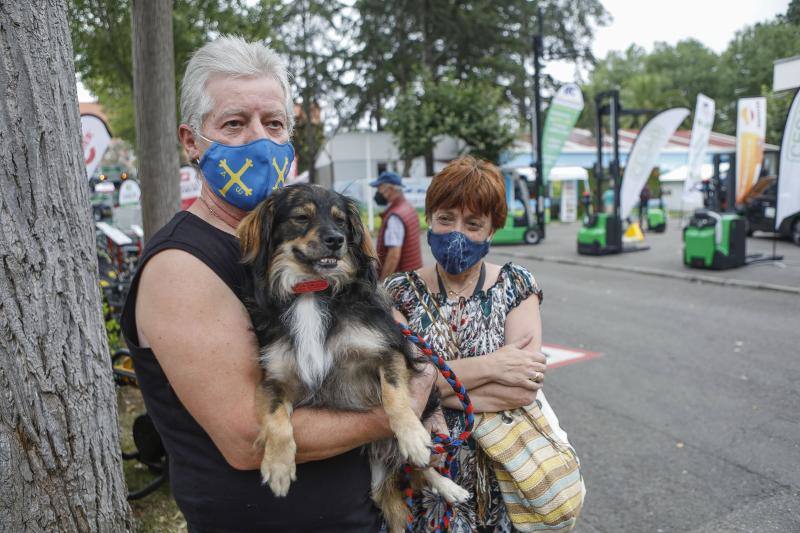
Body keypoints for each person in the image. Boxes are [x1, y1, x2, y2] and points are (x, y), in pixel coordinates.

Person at [120, 36, 434, 532]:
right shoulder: (181, 268)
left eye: (273, 124)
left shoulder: (296, 240)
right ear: (190, 142)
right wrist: (402, 408)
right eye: (233, 123)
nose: (257, 141)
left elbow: (390, 333)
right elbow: (249, 437)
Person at [385, 156, 572, 533]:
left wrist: (430, 386)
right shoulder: (398, 293)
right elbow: (397, 389)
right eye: (445, 219)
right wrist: (494, 365)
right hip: (425, 476)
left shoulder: (515, 286)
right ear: (429, 218)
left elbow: (522, 389)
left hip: (504, 477)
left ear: (492, 230)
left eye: (473, 224)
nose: (457, 233)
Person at [370, 171, 423, 280]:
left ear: (389, 189)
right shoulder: (408, 207)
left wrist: (383, 283)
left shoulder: (395, 217)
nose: (378, 192)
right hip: (413, 275)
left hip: (401, 281)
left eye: (379, 188)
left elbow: (393, 256)